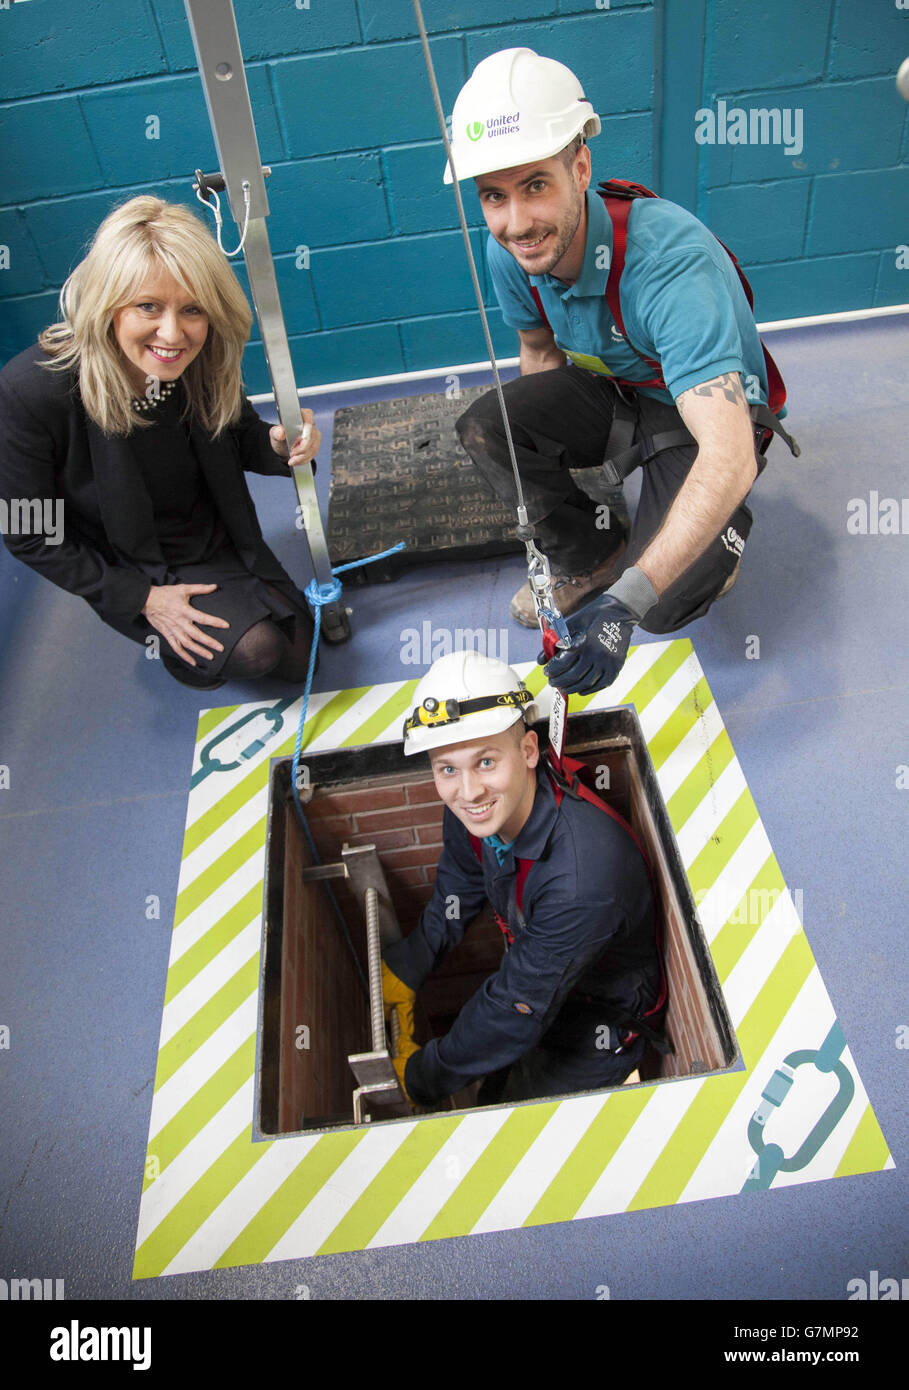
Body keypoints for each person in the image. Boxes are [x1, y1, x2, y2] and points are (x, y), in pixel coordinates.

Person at [446, 49, 799, 697]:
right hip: (616, 389)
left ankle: (711, 539)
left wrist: (624, 606)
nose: (515, 222)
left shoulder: (671, 269)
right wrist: (545, 478)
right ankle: (592, 554)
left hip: (700, 421)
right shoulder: (514, 251)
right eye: (492, 196)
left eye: (535, 186)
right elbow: (539, 355)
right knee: (487, 425)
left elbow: (729, 454)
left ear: (579, 167)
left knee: (661, 606)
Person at [0, 196, 320, 691]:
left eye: (192, 309)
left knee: (303, 658)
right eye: (148, 306)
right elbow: (30, 534)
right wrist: (141, 598)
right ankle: (165, 638)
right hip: (129, 560)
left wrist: (280, 446)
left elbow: (237, 436)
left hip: (212, 535)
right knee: (259, 651)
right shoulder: (30, 390)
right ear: (109, 304)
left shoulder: (201, 358)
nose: (173, 333)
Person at [381, 650, 664, 1107]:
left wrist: (424, 1076)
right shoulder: (480, 809)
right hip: (537, 985)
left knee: (510, 1110)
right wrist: (411, 961)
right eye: (447, 768)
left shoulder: (581, 879)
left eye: (486, 762)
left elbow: (516, 1007)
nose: (468, 790)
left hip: (594, 1024)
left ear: (529, 750)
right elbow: (462, 880)